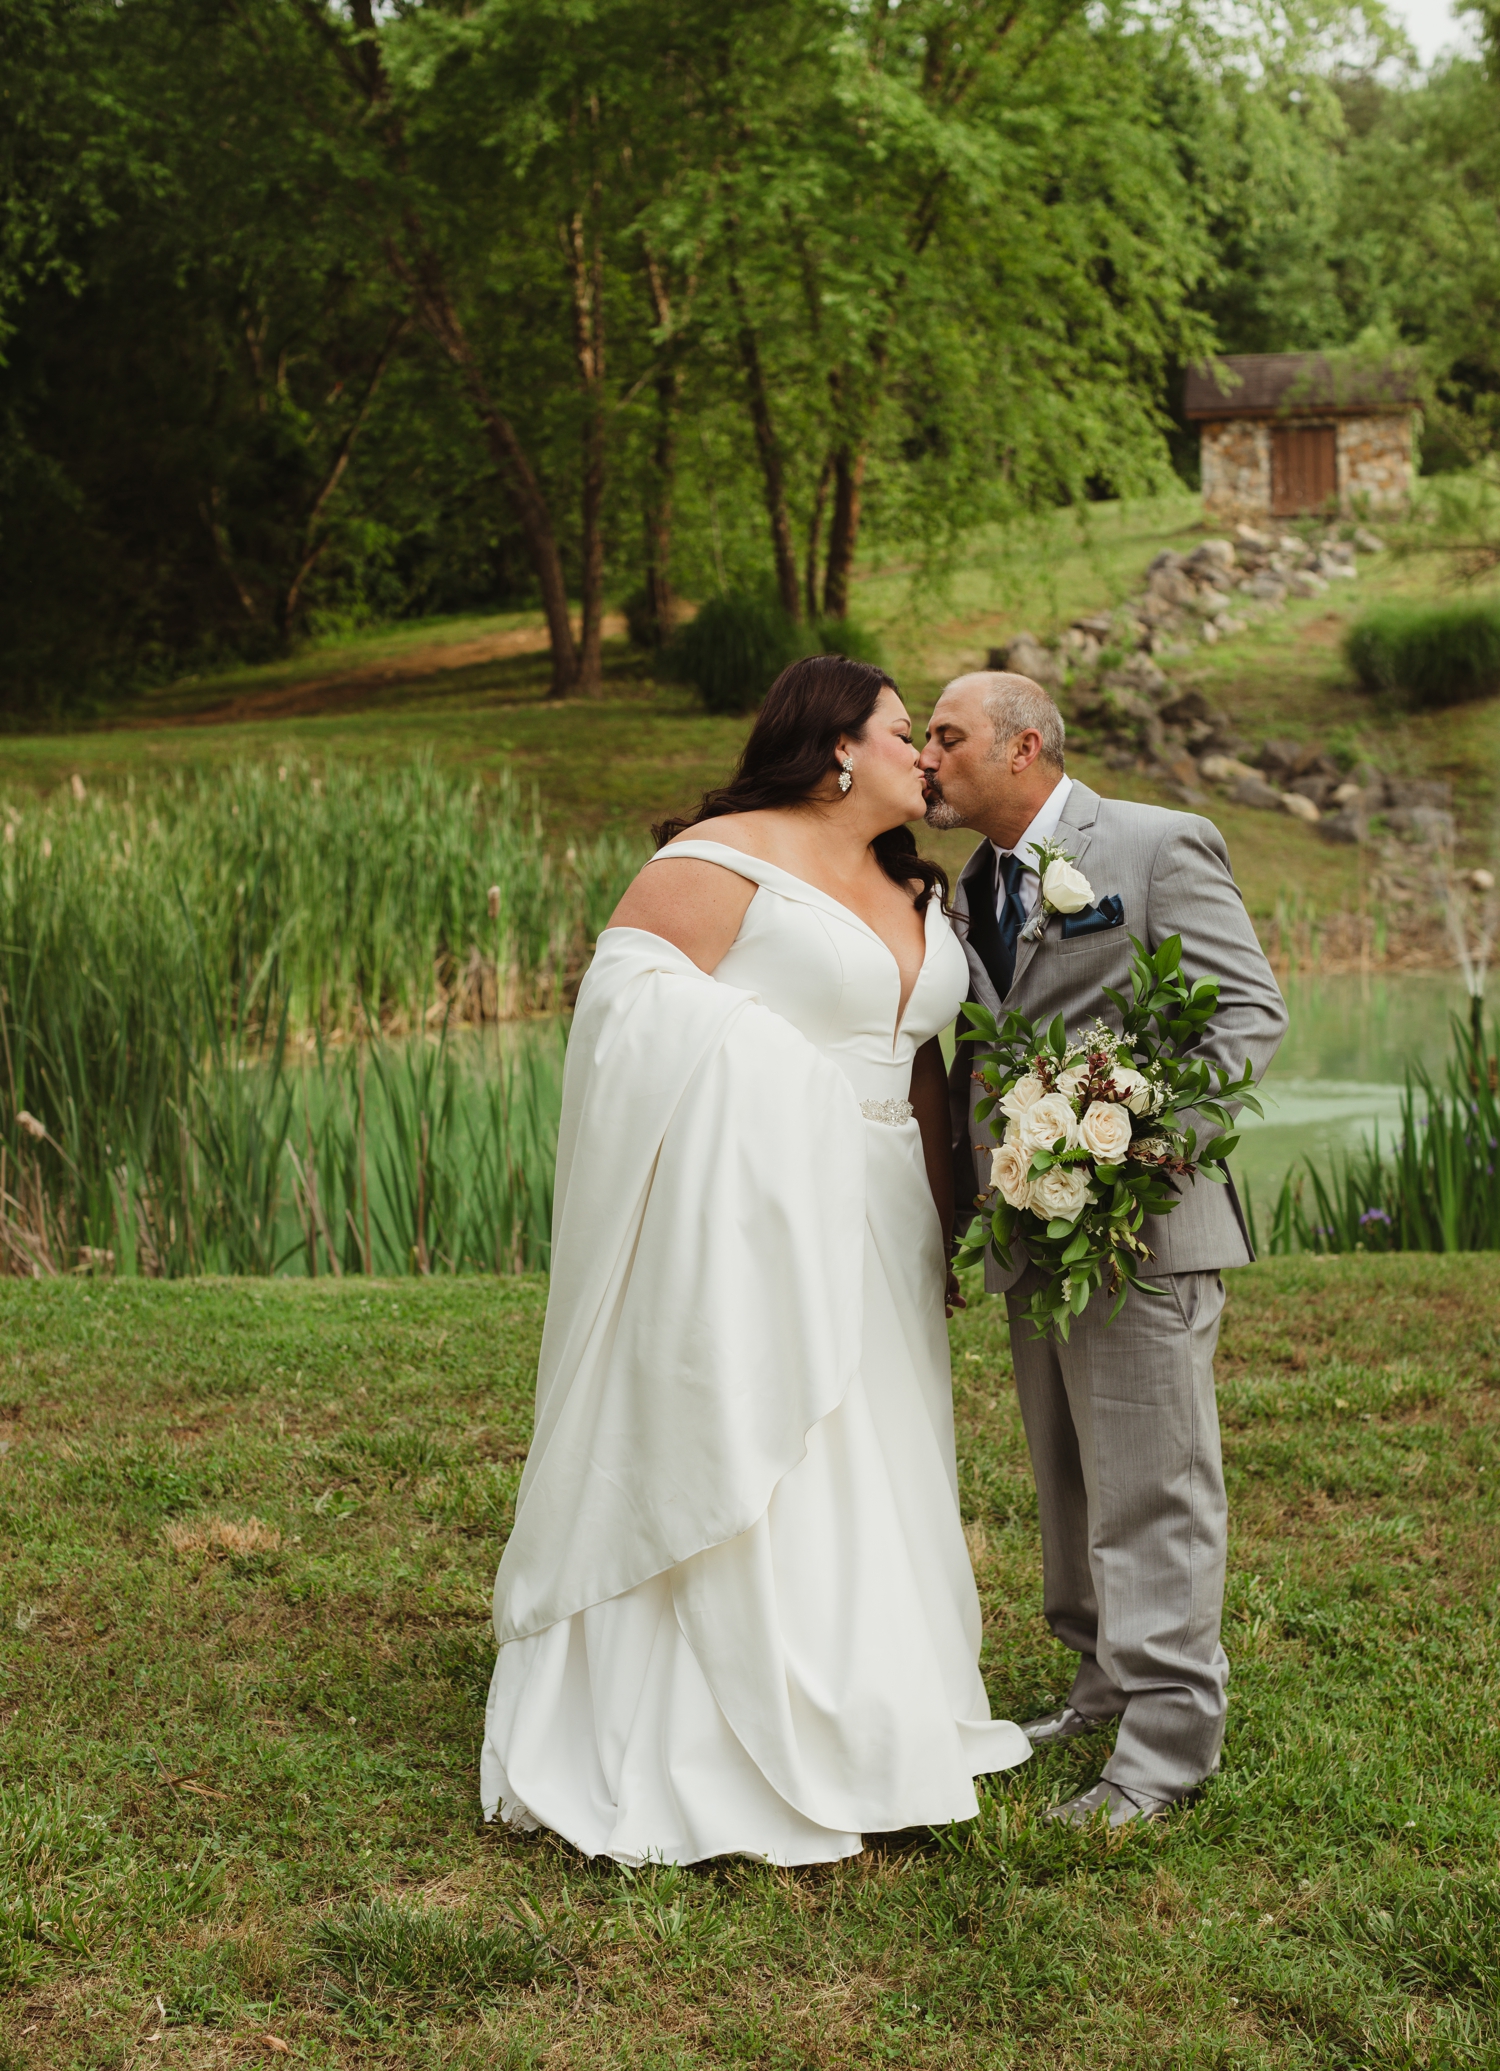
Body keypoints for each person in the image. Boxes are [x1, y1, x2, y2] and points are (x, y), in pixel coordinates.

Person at [480, 655, 1030, 1865]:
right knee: (772, 1431)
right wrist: (782, 1088)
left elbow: (925, 1064)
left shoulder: (918, 887)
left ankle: (885, 1709)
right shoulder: (720, 860)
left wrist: (945, 1215)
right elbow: (626, 1007)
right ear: (838, 747)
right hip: (751, 1206)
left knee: (879, 1442)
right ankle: (720, 1736)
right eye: (905, 734)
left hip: (883, 1210)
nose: (925, 757)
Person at [921, 670, 1287, 1828]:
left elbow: (1246, 1014)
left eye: (947, 737)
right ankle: (1100, 1687)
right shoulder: (970, 884)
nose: (926, 757)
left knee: (1154, 1490)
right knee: (1069, 1481)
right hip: (1035, 1234)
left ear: (1023, 748)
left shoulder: (1155, 845)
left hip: (1141, 1229)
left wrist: (1142, 1142)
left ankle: (1165, 1754)